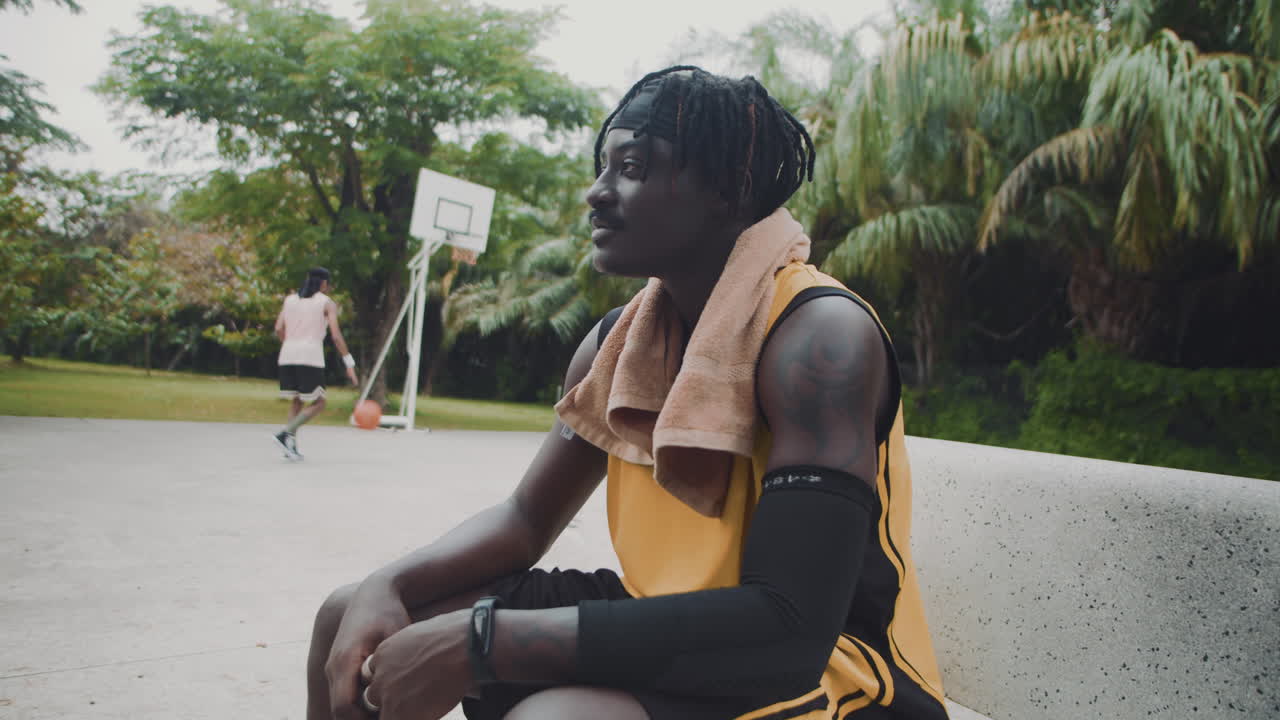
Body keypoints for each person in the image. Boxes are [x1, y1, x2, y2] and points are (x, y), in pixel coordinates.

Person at [307, 67, 949, 720]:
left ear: (728, 189)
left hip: (837, 670)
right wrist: (388, 584)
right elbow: (526, 521)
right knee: (349, 620)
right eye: (603, 166)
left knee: (559, 718)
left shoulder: (819, 337)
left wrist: (483, 642)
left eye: (633, 166)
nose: (597, 193)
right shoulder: (618, 343)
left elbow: (790, 628)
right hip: (666, 616)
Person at [273, 267, 358, 461]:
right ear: (323, 284)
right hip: (309, 356)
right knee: (320, 402)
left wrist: (290, 343)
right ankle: (285, 433)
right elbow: (336, 336)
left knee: (298, 400)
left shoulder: (290, 300)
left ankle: (289, 446)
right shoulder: (326, 303)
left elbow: (278, 327)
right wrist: (349, 363)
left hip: (287, 354)